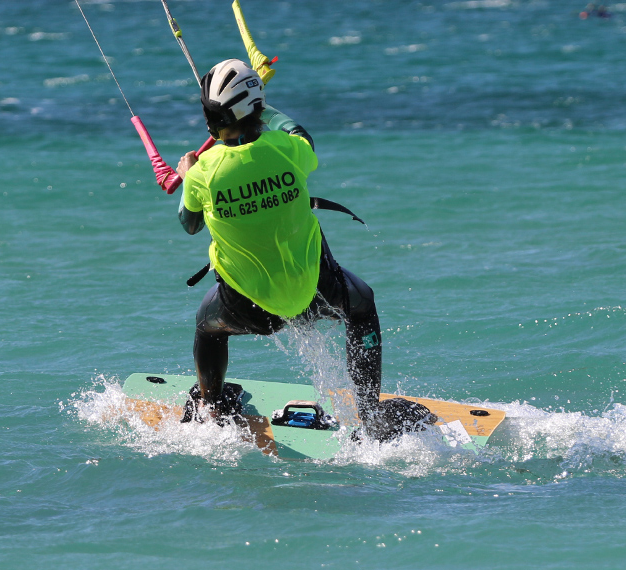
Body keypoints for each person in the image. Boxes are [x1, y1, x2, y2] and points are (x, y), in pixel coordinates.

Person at [174, 59, 433, 442]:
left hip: (245, 308)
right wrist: (264, 101)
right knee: (361, 305)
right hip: (315, 292)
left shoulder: (202, 172)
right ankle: (370, 413)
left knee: (207, 328)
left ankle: (212, 407)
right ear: (256, 110)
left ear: (212, 121)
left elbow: (190, 223)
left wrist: (185, 175)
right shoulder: (287, 151)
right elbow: (298, 132)